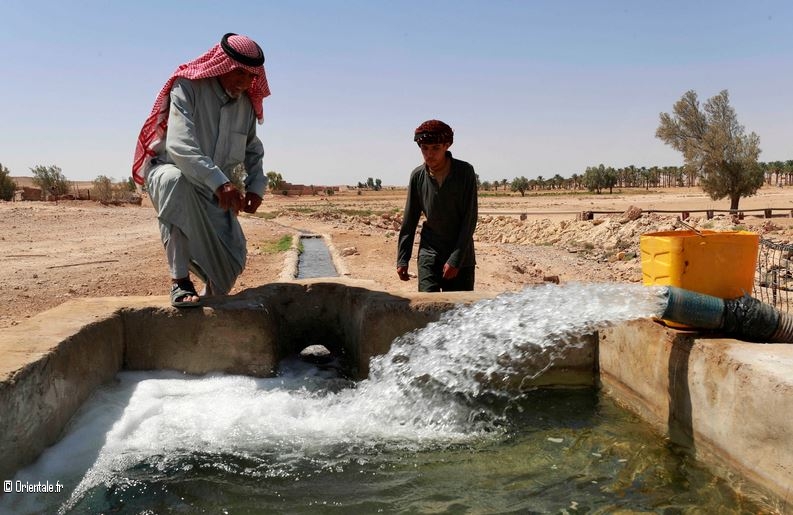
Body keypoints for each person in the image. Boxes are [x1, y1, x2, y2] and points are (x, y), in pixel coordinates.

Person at [132, 33, 271, 307]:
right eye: (237, 72)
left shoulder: (245, 104)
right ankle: (180, 281)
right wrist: (220, 183)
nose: (243, 81)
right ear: (222, 65)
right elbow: (180, 144)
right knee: (176, 183)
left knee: (231, 263)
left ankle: (210, 305)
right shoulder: (188, 87)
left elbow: (253, 150)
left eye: (250, 75)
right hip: (172, 172)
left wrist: (256, 187)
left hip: (217, 187)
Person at [396, 120, 478, 292]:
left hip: (460, 254)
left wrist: (455, 260)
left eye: (435, 148)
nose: (429, 154)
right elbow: (409, 220)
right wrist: (403, 259)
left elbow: (469, 219)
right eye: (424, 148)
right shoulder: (417, 176)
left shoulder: (465, 172)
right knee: (426, 308)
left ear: (447, 145)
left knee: (457, 313)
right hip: (429, 251)